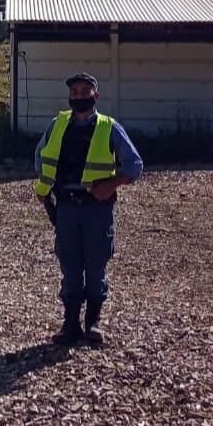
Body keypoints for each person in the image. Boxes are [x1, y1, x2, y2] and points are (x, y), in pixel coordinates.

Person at [35, 73, 143, 347]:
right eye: (75, 91)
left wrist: (112, 184)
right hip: (67, 207)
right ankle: (70, 324)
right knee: (70, 267)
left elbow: (134, 165)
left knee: (95, 266)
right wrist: (46, 190)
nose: (80, 95)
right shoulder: (56, 125)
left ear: (96, 96)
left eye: (86, 91)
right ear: (69, 96)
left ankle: (93, 322)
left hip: (97, 208)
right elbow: (40, 159)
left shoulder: (110, 128)